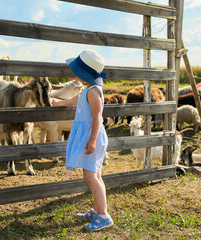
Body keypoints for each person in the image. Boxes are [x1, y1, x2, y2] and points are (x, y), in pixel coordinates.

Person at [52, 49, 113, 231]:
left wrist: (92, 140)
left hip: (92, 136)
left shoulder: (93, 92)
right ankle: (97, 210)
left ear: (83, 73)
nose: (74, 74)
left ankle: (103, 216)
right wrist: (58, 103)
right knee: (96, 175)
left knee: (90, 177)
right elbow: (76, 100)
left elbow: (97, 117)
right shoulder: (88, 89)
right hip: (90, 135)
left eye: (77, 71)